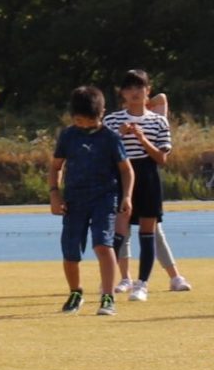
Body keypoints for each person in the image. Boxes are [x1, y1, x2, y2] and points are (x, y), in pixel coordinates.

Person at [51, 86, 133, 317]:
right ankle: (75, 292)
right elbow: (56, 167)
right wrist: (55, 194)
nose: (85, 125)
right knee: (70, 251)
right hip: (74, 200)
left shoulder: (110, 138)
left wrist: (127, 196)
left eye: (90, 121)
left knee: (103, 245)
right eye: (79, 120)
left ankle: (108, 296)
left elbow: (126, 170)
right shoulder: (68, 136)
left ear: (102, 114)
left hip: (104, 199)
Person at [105, 70, 187, 300]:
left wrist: (142, 139)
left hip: (148, 176)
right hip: (121, 176)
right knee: (119, 231)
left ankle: (142, 284)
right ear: (122, 93)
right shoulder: (112, 120)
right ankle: (112, 280)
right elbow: (103, 153)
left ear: (147, 91)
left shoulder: (158, 121)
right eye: (129, 88)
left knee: (148, 231)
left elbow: (161, 158)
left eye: (139, 87)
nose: (134, 93)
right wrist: (119, 135)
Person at [146, 92, 191, 291]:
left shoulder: (153, 119)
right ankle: (123, 279)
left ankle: (175, 277)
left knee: (155, 231)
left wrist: (144, 103)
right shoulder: (120, 119)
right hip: (124, 180)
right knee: (122, 232)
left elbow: (162, 98)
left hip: (148, 179)